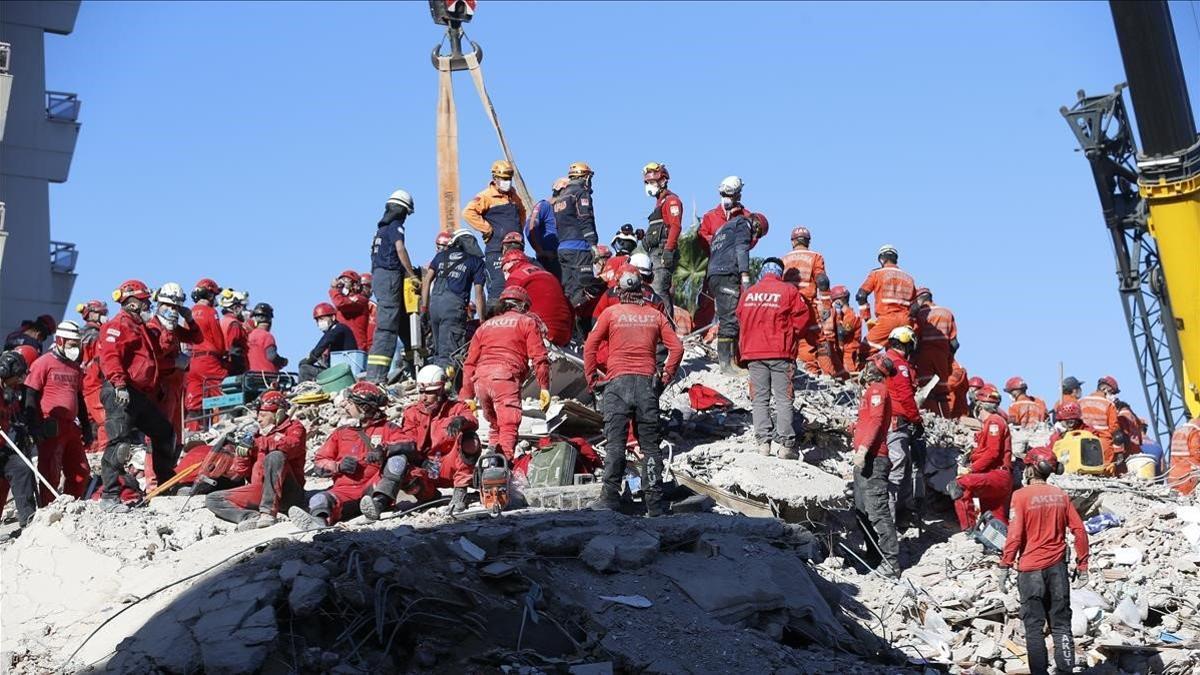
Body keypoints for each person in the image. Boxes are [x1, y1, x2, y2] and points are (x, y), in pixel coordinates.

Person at [584, 271, 683, 516]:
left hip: (616, 384)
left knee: (616, 444)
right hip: (647, 385)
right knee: (650, 447)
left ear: (619, 292)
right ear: (642, 290)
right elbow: (677, 348)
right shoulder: (655, 315)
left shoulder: (611, 313)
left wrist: (592, 379)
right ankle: (655, 504)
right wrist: (665, 377)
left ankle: (609, 499)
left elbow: (590, 346)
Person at [998, 446, 1090, 675]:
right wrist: (1083, 565)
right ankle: (1066, 670)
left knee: (1034, 628)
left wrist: (1005, 564)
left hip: (1030, 572)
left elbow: (1015, 535)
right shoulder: (1060, 495)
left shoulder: (1020, 496)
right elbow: (1079, 530)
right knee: (1061, 626)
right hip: (1057, 570)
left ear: (1031, 468)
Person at [361, 365, 481, 519]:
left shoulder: (457, 408)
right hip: (426, 469)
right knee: (397, 460)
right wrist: (386, 449)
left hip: (450, 465)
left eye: (429, 393)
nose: (423, 397)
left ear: (441, 390)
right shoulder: (412, 413)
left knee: (470, 440)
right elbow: (407, 440)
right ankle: (380, 502)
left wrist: (461, 420)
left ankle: (460, 493)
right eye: (421, 392)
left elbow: (472, 420)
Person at [97, 280, 177, 512]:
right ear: (132, 304)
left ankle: (165, 485)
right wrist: (119, 383)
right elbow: (110, 355)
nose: (147, 306)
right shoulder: (117, 326)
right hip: (120, 391)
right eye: (144, 302)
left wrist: (170, 332)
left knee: (164, 432)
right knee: (119, 443)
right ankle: (109, 497)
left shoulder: (139, 327)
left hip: (138, 394)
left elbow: (157, 352)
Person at [460, 286, 550, 459]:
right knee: (508, 425)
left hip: (481, 380)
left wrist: (468, 396)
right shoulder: (526, 322)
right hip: (505, 377)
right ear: (522, 306)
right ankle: (503, 466)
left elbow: (469, 363)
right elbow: (539, 357)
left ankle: (490, 463)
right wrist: (544, 387)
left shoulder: (485, 326)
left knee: (495, 425)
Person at [290, 382, 395, 529]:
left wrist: (384, 451)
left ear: (363, 406)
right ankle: (319, 522)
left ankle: (379, 503)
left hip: (374, 485)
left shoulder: (388, 428)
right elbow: (319, 462)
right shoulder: (342, 433)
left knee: (397, 462)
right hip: (344, 491)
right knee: (319, 499)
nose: (347, 406)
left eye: (351, 403)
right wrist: (337, 466)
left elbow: (407, 447)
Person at [736, 259, 810, 458]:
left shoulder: (749, 293)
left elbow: (739, 318)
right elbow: (802, 319)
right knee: (784, 398)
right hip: (780, 352)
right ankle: (785, 446)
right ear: (780, 273)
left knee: (759, 399)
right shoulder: (788, 291)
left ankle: (763, 444)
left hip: (753, 353)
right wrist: (788, 335)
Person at [206, 391, 307, 529]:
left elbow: (292, 446)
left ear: (278, 414)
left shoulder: (294, 427)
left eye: (263, 415)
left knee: (275, 456)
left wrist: (261, 442)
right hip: (262, 491)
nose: (259, 420)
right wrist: (243, 454)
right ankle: (250, 517)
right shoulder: (256, 436)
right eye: (258, 415)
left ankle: (268, 513)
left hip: (288, 493)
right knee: (213, 499)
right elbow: (239, 473)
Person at [23, 321, 90, 504]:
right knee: (50, 472)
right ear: (60, 341)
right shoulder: (43, 363)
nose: (75, 348)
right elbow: (30, 395)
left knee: (81, 471)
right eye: (71, 344)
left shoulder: (75, 367)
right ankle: (48, 510)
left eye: (77, 344)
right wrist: (33, 427)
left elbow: (79, 398)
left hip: (71, 427)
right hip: (51, 425)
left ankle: (71, 506)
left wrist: (87, 427)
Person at [695, 176, 769, 329]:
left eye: (730, 195)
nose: (726, 198)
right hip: (714, 267)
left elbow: (750, 241)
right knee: (705, 302)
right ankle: (697, 335)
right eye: (723, 195)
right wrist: (719, 242)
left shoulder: (746, 216)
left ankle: (738, 342)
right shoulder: (710, 216)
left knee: (738, 304)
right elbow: (701, 237)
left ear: (738, 196)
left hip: (734, 269)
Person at [851, 355, 898, 576]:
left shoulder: (878, 389)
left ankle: (891, 563)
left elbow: (877, 421)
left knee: (877, 510)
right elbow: (869, 420)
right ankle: (873, 556)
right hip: (866, 458)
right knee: (862, 510)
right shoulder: (871, 392)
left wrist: (863, 449)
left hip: (873, 459)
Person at [146, 283, 201, 468]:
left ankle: (168, 472)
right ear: (159, 304)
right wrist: (174, 362)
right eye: (169, 306)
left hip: (176, 388)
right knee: (157, 434)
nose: (173, 310)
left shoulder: (174, 327)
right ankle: (153, 479)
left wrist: (190, 319)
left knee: (176, 437)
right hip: (161, 389)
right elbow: (151, 361)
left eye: (176, 307)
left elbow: (197, 338)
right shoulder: (153, 328)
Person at [367, 189, 419, 383]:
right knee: (387, 327)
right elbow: (400, 249)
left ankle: (413, 371)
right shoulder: (395, 226)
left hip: (380, 277)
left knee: (402, 325)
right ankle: (376, 377)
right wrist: (412, 274)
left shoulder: (379, 231)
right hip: (390, 276)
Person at [948, 386, 1012, 530]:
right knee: (996, 523)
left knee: (959, 485)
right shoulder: (993, 423)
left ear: (979, 405)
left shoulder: (994, 422)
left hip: (996, 475)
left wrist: (971, 469)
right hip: (998, 477)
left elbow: (992, 453)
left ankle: (969, 531)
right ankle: (1000, 548)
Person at [421, 229, 487, 369]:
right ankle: (447, 387)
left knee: (438, 350)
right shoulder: (476, 262)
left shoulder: (441, 256)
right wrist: (482, 321)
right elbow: (479, 293)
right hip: (453, 309)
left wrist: (424, 309)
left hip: (435, 306)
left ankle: (436, 380)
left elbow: (426, 281)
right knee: (451, 353)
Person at [463, 160, 528, 300]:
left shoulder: (514, 196)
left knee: (519, 284)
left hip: (516, 250)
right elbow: (468, 213)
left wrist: (518, 231)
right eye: (504, 179)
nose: (507, 182)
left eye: (509, 178)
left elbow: (522, 212)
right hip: (496, 249)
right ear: (495, 178)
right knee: (499, 285)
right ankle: (495, 316)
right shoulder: (486, 196)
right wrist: (487, 229)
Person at [706, 210, 758, 373]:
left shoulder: (724, 228)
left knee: (727, 317)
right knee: (730, 319)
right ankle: (727, 365)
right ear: (756, 224)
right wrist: (745, 277)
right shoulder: (744, 224)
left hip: (714, 275)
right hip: (726, 274)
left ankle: (730, 361)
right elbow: (742, 249)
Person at [882, 326, 923, 517]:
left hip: (886, 420)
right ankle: (888, 520)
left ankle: (900, 515)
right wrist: (917, 419)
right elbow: (906, 396)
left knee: (902, 468)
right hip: (896, 422)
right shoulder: (899, 364)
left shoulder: (884, 360)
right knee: (898, 468)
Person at [553, 162, 600, 326]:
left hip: (562, 248)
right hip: (579, 248)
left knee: (568, 290)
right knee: (587, 288)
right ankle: (583, 327)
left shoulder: (561, 197)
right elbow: (585, 219)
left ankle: (569, 325)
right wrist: (593, 244)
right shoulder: (580, 194)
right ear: (584, 177)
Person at [501, 249, 573, 347]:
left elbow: (506, 305)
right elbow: (569, 306)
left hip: (540, 332)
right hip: (564, 335)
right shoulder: (547, 274)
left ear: (513, 262)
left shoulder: (516, 275)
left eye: (505, 269)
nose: (505, 274)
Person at [0, 350, 38, 529]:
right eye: (17, 376)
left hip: (3, 448)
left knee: (22, 468)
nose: (20, 380)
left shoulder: (9, 393)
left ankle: (28, 522)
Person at [856, 244, 917, 353]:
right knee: (897, 356)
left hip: (886, 320)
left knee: (863, 351)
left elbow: (861, 295)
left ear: (881, 259)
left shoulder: (877, 274)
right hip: (906, 322)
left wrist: (867, 318)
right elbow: (915, 307)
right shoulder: (909, 278)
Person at [642, 162, 683, 320]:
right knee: (653, 291)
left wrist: (668, 250)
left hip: (662, 253)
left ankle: (666, 329)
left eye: (652, 182)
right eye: (647, 182)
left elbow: (675, 226)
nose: (649, 186)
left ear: (663, 181)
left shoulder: (671, 201)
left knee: (659, 291)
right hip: (654, 253)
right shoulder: (659, 203)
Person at [185, 278, 228, 429]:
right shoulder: (211, 312)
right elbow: (218, 340)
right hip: (209, 361)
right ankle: (223, 430)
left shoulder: (189, 313)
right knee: (224, 395)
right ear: (210, 295)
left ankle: (193, 435)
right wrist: (223, 353)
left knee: (194, 404)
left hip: (191, 362)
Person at [910, 288, 957, 413]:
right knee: (942, 392)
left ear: (919, 300)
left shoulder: (920, 315)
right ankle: (945, 419)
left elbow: (914, 339)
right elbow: (954, 343)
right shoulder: (947, 312)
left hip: (924, 356)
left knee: (927, 390)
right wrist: (948, 359)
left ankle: (932, 416)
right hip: (942, 355)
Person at [77, 300, 108, 451]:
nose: (104, 316)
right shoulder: (96, 334)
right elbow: (100, 360)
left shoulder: (79, 333)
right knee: (105, 421)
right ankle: (104, 450)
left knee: (88, 421)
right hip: (94, 383)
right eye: (102, 313)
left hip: (82, 382)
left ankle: (89, 449)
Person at [1078, 376, 1126, 472]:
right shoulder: (1108, 404)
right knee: (1104, 475)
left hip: (1081, 444)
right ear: (1106, 389)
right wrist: (1119, 452)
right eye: (1113, 392)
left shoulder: (1080, 402)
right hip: (1102, 447)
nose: (1114, 396)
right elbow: (1115, 431)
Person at [298, 303, 357, 382]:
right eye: (317, 320)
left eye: (322, 319)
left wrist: (310, 358)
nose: (319, 322)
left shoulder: (338, 328)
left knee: (304, 369)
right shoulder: (335, 331)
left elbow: (323, 343)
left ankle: (304, 391)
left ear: (333, 317)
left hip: (342, 373)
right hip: (337, 370)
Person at [328, 270, 370, 373]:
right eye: (341, 280)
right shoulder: (342, 299)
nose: (342, 283)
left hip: (356, 348)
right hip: (341, 348)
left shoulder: (361, 300)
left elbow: (340, 303)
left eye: (347, 281)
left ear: (355, 285)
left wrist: (334, 289)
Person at [526, 177, 567, 279]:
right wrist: (540, 251)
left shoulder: (563, 211)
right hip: (550, 259)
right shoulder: (545, 206)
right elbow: (530, 227)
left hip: (562, 259)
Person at [246, 303, 287, 373]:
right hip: (267, 377)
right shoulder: (267, 336)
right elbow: (272, 356)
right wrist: (283, 361)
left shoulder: (249, 336)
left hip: (250, 377)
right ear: (270, 320)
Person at [831, 285, 863, 374]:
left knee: (849, 379)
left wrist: (836, 313)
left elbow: (842, 332)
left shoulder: (850, 315)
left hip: (848, 356)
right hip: (843, 354)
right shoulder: (844, 315)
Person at [218, 289, 249, 376]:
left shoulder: (222, 322)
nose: (245, 310)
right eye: (244, 307)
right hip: (235, 371)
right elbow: (234, 349)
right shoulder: (234, 324)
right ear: (236, 308)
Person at [1168, 416, 1200, 495]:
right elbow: (1197, 455)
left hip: (1174, 477)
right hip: (1189, 479)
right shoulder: (1194, 432)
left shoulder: (1178, 431)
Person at [360, 272, 377, 353]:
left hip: (371, 350)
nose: (371, 290)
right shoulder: (350, 306)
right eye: (367, 287)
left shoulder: (374, 308)